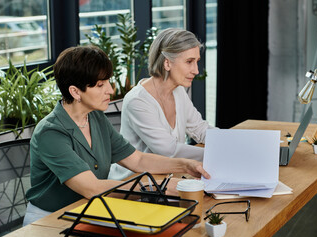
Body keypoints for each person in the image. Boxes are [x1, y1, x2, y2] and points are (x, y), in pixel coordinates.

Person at [23, 46, 210, 225]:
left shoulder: (95, 118)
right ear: (75, 92)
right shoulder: (50, 132)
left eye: (108, 82)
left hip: (90, 211)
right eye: (100, 85)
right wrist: (156, 187)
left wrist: (186, 165)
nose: (110, 90)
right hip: (50, 221)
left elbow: (138, 160)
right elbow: (92, 188)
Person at [108, 28, 215, 181]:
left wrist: (229, 141)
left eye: (196, 62)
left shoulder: (178, 91)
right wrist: (216, 153)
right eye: (189, 62)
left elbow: (200, 128)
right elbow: (169, 151)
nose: (196, 70)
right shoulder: (137, 100)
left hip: (164, 178)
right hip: (132, 183)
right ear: (167, 63)